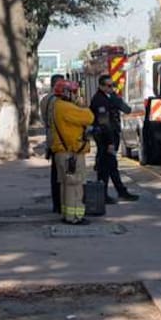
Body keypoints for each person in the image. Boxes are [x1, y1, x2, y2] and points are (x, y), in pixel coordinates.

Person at [90, 74, 140, 204]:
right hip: (105, 138)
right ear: (101, 86)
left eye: (112, 85)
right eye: (108, 85)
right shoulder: (99, 100)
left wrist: (116, 99)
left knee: (109, 166)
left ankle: (114, 192)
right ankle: (111, 193)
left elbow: (127, 110)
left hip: (111, 135)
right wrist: (110, 142)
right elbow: (104, 123)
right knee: (107, 166)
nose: (111, 88)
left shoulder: (111, 97)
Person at [50, 80, 95, 224]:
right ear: (65, 92)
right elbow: (89, 118)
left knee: (65, 184)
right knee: (75, 185)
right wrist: (83, 106)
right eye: (73, 92)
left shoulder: (57, 105)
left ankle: (67, 214)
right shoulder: (66, 107)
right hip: (71, 153)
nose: (75, 95)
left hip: (62, 152)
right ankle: (75, 217)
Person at [40, 73, 65, 214]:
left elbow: (45, 120)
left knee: (55, 173)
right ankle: (62, 203)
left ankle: (57, 204)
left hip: (51, 139)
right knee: (63, 174)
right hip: (61, 141)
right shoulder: (57, 100)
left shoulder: (45, 100)